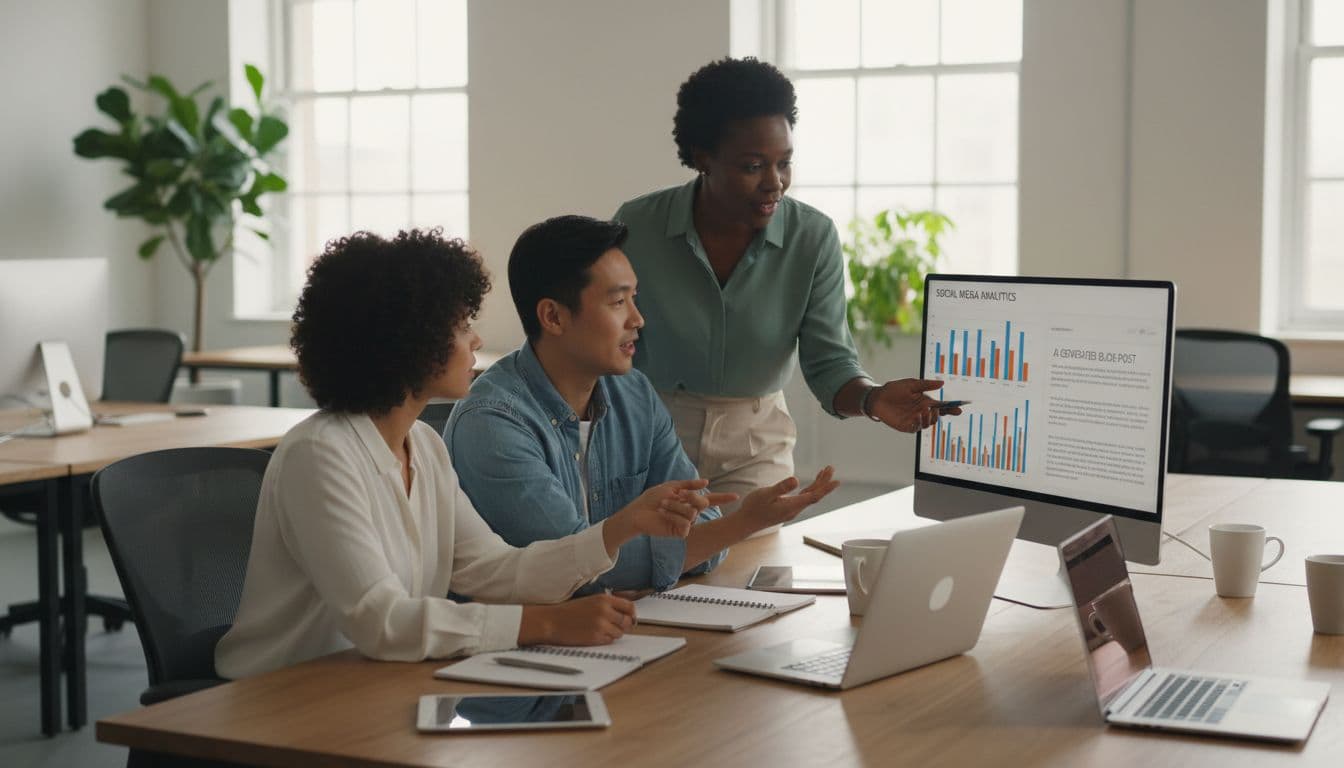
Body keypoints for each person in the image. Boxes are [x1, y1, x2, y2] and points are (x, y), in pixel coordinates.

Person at [215, 228, 708, 679]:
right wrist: (547, 624)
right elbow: (381, 620)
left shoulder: (424, 446)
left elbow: (498, 570)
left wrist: (622, 527)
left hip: (375, 683)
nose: (476, 339)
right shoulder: (320, 455)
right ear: (408, 342)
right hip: (284, 698)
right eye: (461, 324)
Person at [612, 57, 958, 516]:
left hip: (755, 446)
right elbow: (607, 341)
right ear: (702, 156)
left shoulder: (811, 237)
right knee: (654, 575)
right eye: (753, 166)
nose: (774, 183)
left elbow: (830, 362)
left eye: (784, 162)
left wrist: (874, 400)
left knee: (750, 576)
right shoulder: (638, 227)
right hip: (649, 436)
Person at [444, 215, 838, 594]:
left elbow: (700, 518)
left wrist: (658, 556)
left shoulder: (633, 393)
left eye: (634, 298)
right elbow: (570, 567)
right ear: (553, 316)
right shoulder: (492, 424)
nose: (638, 319)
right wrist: (740, 525)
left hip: (617, 628)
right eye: (617, 302)